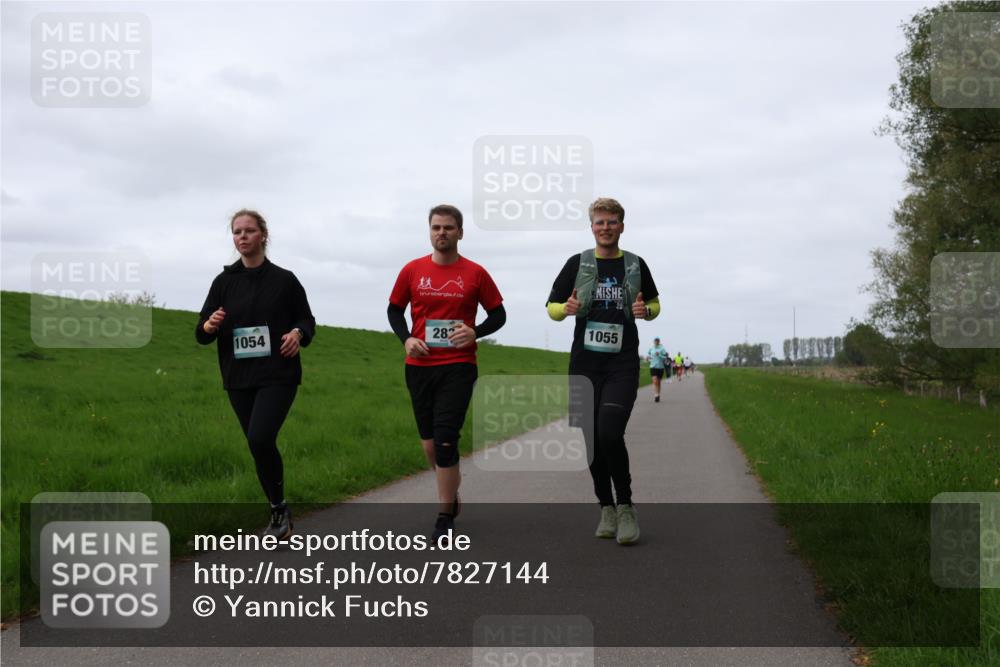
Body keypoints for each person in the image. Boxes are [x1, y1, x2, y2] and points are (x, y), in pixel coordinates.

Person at [387, 204, 506, 544]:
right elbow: (394, 310)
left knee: (444, 439)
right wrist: (406, 338)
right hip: (420, 367)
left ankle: (444, 516)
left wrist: (475, 331)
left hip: (458, 366)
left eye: (449, 228)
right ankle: (451, 493)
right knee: (429, 446)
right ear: (429, 231)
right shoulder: (412, 270)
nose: (442, 233)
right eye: (436, 227)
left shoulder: (475, 273)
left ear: (460, 232)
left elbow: (499, 314)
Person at [546, 197, 660, 545]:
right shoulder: (577, 263)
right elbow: (551, 306)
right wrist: (564, 308)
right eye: (600, 222)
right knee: (592, 441)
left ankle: (626, 507)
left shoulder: (635, 264)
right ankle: (606, 509)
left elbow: (654, 303)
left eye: (612, 222)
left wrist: (646, 310)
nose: (606, 227)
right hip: (584, 364)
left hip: (622, 364)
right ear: (592, 226)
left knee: (609, 433)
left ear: (621, 226)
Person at [196, 209, 316, 539]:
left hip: (278, 373)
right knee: (258, 446)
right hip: (238, 377)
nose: (242, 236)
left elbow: (307, 321)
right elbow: (201, 333)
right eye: (237, 232)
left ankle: (278, 511)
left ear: (263, 235)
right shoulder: (223, 283)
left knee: (259, 437)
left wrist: (297, 334)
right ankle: (279, 510)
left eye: (249, 230)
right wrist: (209, 324)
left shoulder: (284, 280)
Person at [646, 337, 669, 402]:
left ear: (659, 341)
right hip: (653, 366)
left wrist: (659, 355)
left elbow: (665, 357)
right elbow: (649, 354)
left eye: (657, 341)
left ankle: (658, 394)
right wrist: (648, 357)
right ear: (654, 341)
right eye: (655, 341)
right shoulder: (651, 348)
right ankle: (656, 394)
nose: (656, 342)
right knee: (655, 380)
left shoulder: (662, 348)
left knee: (658, 382)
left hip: (660, 367)